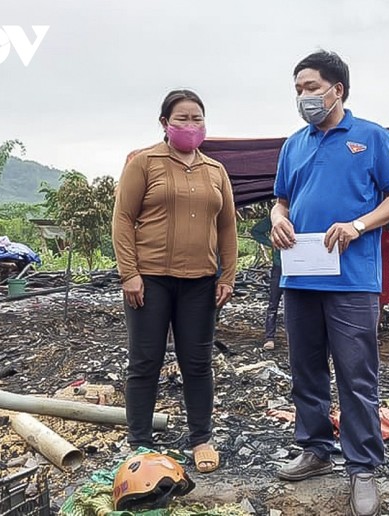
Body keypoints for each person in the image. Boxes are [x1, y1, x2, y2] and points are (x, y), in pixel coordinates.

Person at [270, 50, 389, 516]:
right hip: (301, 274)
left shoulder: (371, 137)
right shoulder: (294, 144)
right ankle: (314, 449)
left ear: (338, 90)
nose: (304, 97)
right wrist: (277, 220)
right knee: (305, 368)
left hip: (352, 279)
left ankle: (363, 468)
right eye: (297, 90)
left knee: (356, 373)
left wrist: (359, 225)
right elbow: (282, 200)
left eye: (311, 87)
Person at [112, 89, 238, 474]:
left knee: (197, 363)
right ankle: (140, 444)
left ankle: (200, 438)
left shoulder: (215, 171)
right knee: (145, 361)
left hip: (200, 282)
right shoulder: (144, 163)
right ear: (165, 123)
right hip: (150, 281)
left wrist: (227, 275)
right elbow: (122, 219)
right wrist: (129, 274)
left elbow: (228, 226)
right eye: (181, 118)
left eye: (197, 118)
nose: (190, 125)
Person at [250, 215, 283, 350]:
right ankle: (270, 338)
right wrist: (271, 242)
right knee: (273, 303)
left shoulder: (304, 214)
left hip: (299, 267)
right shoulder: (277, 217)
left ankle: (296, 337)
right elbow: (256, 231)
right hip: (279, 265)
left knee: (297, 304)